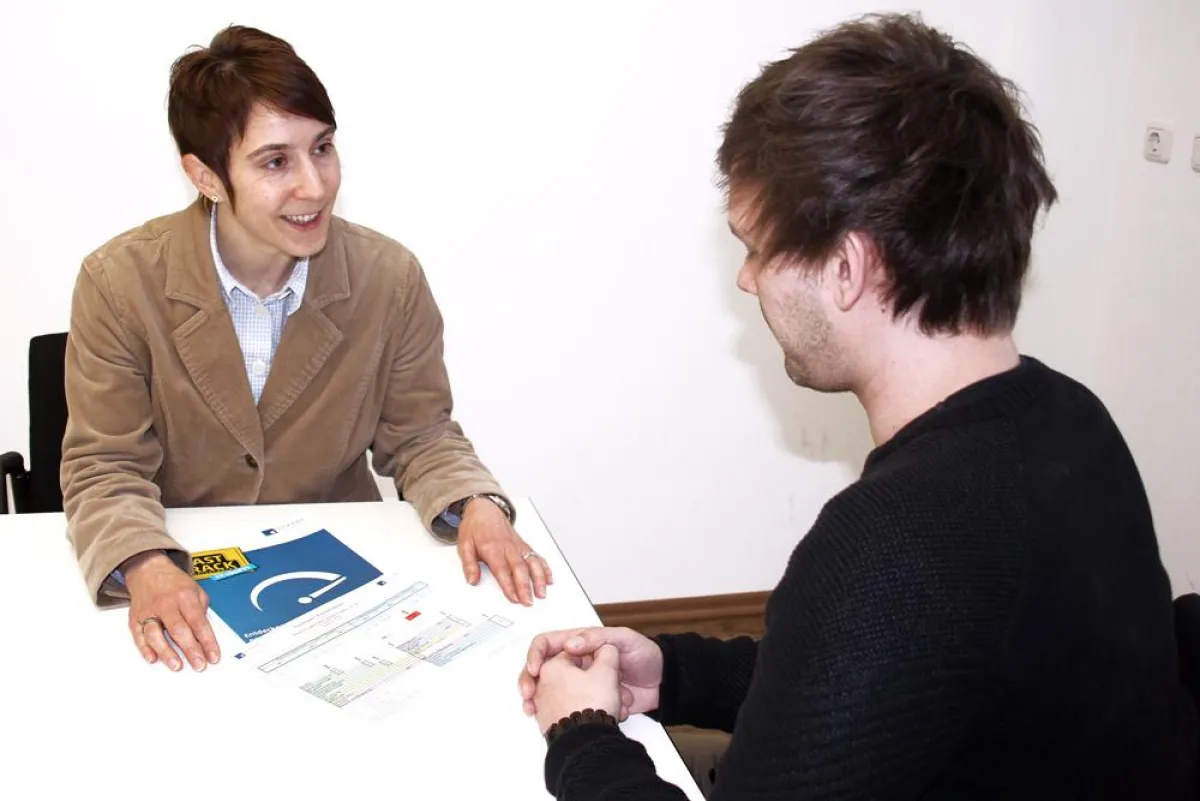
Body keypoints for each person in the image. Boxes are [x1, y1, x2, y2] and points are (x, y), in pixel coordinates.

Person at [517, 12, 1199, 800]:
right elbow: (882, 681)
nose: (746, 279)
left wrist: (579, 734)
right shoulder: (1074, 423)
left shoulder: (893, 541)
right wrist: (676, 672)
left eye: (756, 248)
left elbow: (877, 629)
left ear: (846, 268)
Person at [60, 25, 553, 675]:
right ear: (205, 176)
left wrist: (476, 503)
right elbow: (104, 465)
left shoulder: (389, 276)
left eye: (322, 148)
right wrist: (144, 562)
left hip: (339, 572)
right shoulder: (119, 281)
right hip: (185, 563)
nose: (315, 186)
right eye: (275, 162)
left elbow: (421, 435)